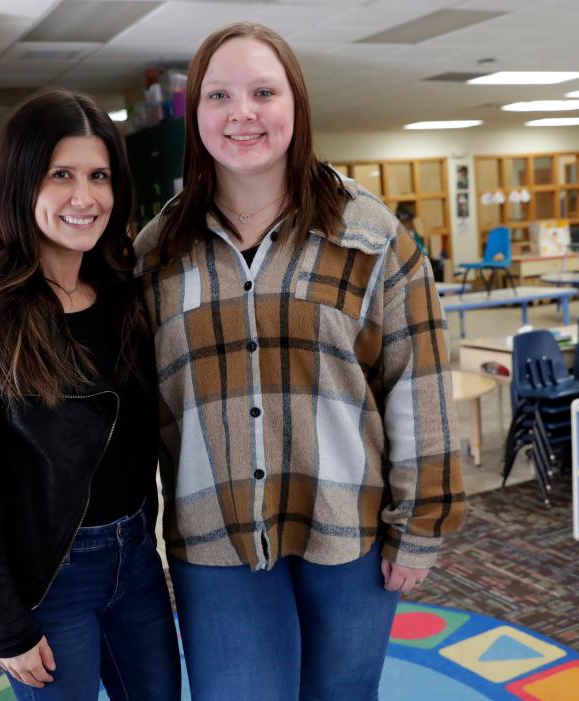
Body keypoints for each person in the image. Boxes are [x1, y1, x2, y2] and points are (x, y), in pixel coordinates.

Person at [133, 22, 466, 701]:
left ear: (296, 105)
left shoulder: (373, 239)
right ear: (195, 115)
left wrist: (421, 525)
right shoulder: (157, 253)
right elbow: (137, 412)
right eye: (219, 95)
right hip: (215, 537)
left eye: (263, 91)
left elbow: (419, 388)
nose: (243, 113)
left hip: (348, 528)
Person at [0, 88, 180, 701]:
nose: (84, 197)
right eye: (61, 175)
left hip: (139, 561)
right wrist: (3, 623)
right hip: (51, 579)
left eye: (99, 176)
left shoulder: (128, 298)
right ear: (22, 184)